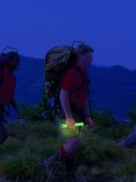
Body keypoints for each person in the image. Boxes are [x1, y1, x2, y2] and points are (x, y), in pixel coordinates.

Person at [42, 44, 95, 181]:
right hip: (65, 113)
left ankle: (69, 176)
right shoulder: (72, 73)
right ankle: (49, 162)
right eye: (89, 57)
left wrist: (88, 116)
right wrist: (69, 117)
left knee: (73, 149)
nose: (91, 60)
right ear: (81, 56)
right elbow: (63, 95)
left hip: (75, 113)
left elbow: (83, 98)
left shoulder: (83, 74)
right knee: (74, 143)